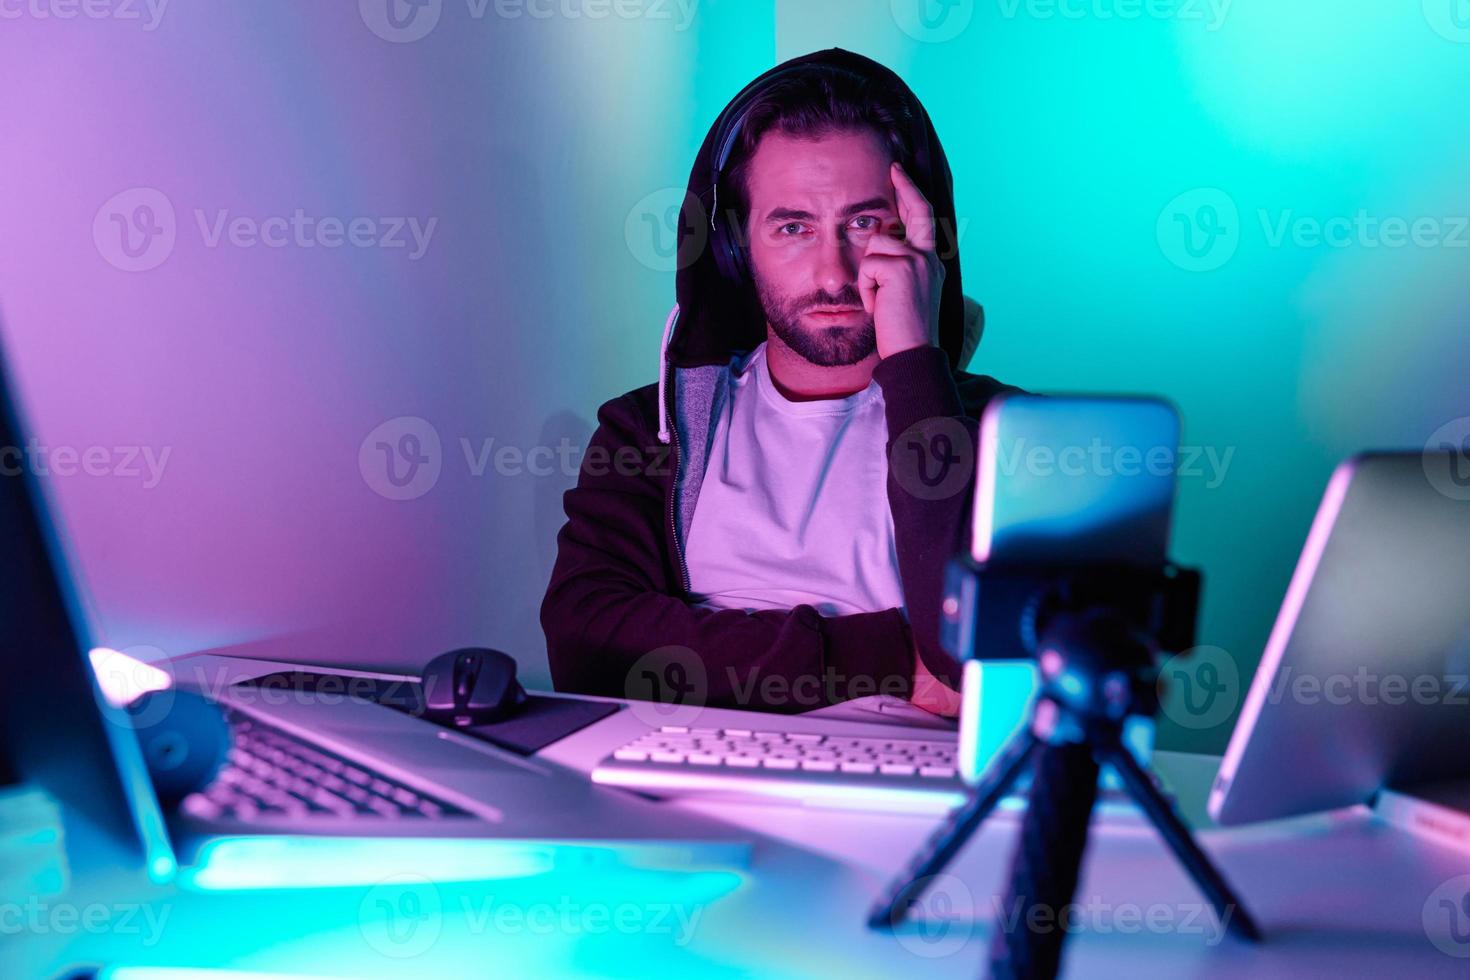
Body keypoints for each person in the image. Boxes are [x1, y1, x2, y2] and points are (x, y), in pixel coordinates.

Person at [541, 48, 1020, 718]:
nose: (833, 271)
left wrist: (915, 363)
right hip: (690, 786)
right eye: (793, 227)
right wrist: (886, 661)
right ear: (736, 250)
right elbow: (588, 641)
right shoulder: (647, 432)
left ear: (918, 234)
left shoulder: (1007, 433)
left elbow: (981, 660)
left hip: (914, 805)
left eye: (865, 223)